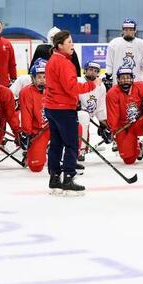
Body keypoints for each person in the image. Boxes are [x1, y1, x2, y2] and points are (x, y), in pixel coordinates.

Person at [44, 31, 101, 195]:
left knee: (56, 144)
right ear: (59, 45)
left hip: (52, 108)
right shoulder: (64, 63)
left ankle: (54, 179)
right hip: (63, 109)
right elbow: (71, 88)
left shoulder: (53, 60)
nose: (72, 45)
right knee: (71, 144)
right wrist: (91, 84)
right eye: (69, 42)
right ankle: (68, 178)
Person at [10, 27, 81, 98]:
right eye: (52, 37)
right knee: (23, 79)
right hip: (43, 79)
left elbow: (76, 70)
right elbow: (33, 67)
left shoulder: (69, 50)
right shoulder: (41, 49)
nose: (54, 40)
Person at [106, 67, 143, 166]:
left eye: (128, 77)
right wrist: (112, 131)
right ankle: (137, 146)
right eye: (122, 78)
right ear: (118, 79)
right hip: (123, 127)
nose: (125, 80)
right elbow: (113, 115)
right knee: (129, 160)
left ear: (132, 78)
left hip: (139, 123)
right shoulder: (112, 93)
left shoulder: (141, 87)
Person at [103, 18, 143, 88]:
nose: (128, 32)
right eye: (126, 29)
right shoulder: (114, 43)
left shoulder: (142, 44)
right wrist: (108, 76)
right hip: (118, 82)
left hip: (137, 83)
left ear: (135, 30)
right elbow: (109, 62)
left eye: (131, 30)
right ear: (122, 30)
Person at [18, 59, 50, 172]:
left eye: (45, 77)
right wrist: (26, 133)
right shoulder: (26, 92)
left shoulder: (54, 89)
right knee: (36, 167)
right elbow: (26, 115)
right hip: (39, 132)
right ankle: (35, 153)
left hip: (55, 128)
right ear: (33, 78)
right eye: (39, 77)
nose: (42, 80)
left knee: (77, 127)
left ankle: (73, 158)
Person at [78, 61, 110, 160]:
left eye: (95, 71)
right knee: (83, 117)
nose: (93, 72)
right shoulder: (78, 81)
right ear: (85, 71)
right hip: (76, 115)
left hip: (89, 115)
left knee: (110, 124)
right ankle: (81, 151)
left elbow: (100, 107)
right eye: (90, 70)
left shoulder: (101, 86)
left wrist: (103, 124)